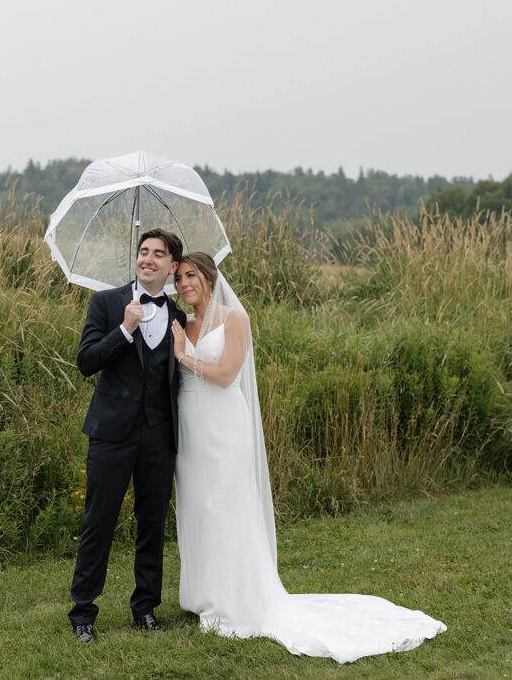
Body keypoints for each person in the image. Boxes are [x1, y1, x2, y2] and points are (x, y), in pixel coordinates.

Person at [169, 252, 446, 664]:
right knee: (199, 508)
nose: (183, 284)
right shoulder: (182, 323)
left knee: (227, 505)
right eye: (178, 279)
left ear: (209, 277)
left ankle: (237, 597)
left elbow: (227, 375)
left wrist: (183, 356)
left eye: (190, 276)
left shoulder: (234, 320)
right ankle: (203, 594)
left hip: (223, 425)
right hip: (190, 426)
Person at [68, 228, 187, 644]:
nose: (148, 259)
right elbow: (85, 361)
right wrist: (123, 329)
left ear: (172, 267)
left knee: (152, 523)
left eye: (158, 254)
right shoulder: (106, 303)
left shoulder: (178, 316)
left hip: (159, 437)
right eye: (143, 252)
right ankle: (83, 614)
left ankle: (146, 608)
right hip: (111, 434)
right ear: (136, 259)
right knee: (98, 522)